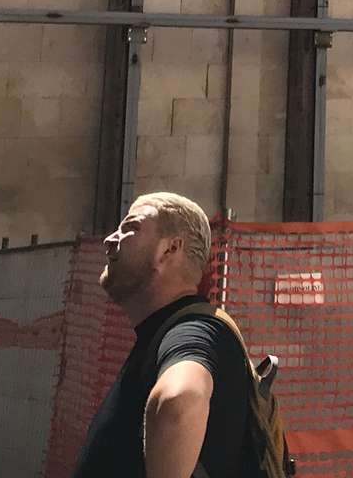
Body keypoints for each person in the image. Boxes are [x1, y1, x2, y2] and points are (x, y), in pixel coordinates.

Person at [71, 192, 254, 478]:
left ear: (169, 249)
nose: (110, 239)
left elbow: (181, 399)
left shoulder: (195, 329)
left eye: (130, 228)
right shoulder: (165, 331)